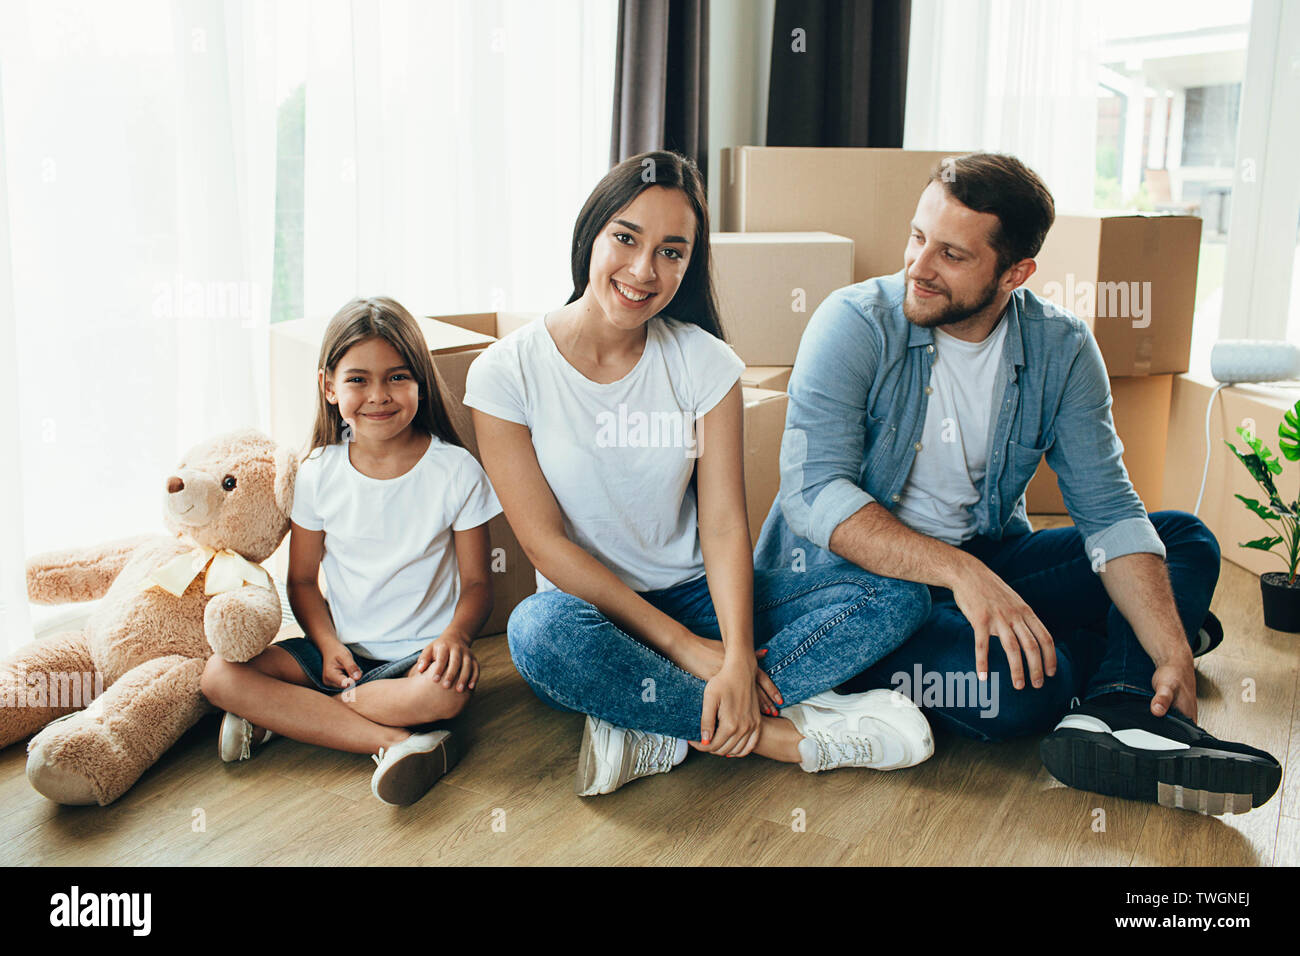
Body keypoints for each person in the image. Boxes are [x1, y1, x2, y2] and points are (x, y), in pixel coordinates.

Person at [755, 152, 1283, 815]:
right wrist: (960, 576)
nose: (917, 267)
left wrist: (1172, 651)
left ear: (1015, 273)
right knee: (1025, 687)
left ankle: (1122, 707)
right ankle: (1099, 657)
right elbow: (813, 494)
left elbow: (1109, 509)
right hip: (853, 591)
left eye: (951, 254)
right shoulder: (855, 322)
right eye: (918, 237)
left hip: (985, 558)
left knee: (1180, 539)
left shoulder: (1061, 348)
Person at [464, 150, 934, 798]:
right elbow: (545, 545)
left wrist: (737, 653)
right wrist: (685, 648)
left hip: (697, 594)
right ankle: (778, 737)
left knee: (899, 597)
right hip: (593, 613)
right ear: (590, 235)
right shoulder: (504, 372)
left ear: (689, 265)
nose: (642, 269)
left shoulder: (706, 363)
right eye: (626, 238)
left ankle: (651, 719)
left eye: (671, 251)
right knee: (535, 633)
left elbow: (721, 524)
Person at [200, 297, 501, 806]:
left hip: (415, 662)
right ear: (328, 386)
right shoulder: (316, 472)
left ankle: (291, 715)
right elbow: (300, 582)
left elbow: (478, 584)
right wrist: (326, 645)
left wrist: (455, 636)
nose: (378, 396)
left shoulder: (455, 471)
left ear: (420, 382)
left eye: (397, 377)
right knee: (218, 675)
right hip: (337, 654)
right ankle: (399, 743)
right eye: (358, 379)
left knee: (444, 695)